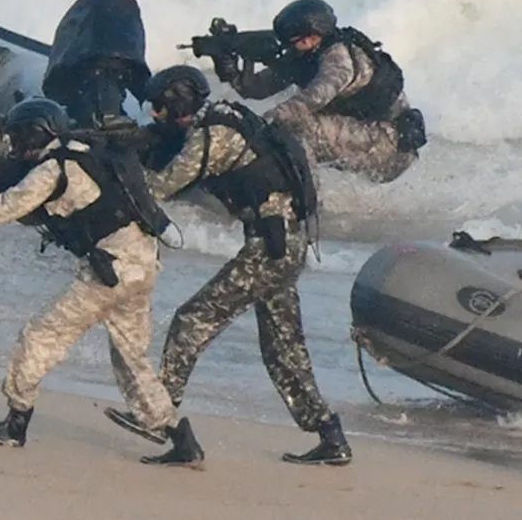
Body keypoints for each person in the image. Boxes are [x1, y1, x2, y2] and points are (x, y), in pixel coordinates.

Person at [105, 66, 352, 466]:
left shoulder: (212, 135)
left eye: (161, 107)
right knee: (283, 350)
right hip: (284, 242)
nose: (154, 115)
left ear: (179, 104)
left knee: (191, 322)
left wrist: (120, 163)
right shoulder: (228, 116)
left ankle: (156, 416)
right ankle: (330, 434)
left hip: (269, 245)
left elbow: (163, 187)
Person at [0, 97, 204, 467]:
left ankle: (15, 424)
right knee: (131, 359)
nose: (16, 146)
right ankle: (181, 439)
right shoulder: (90, 150)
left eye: (18, 138)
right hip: (144, 262)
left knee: (40, 336)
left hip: (109, 271)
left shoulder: (53, 169)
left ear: (34, 134)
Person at [213, 0, 425, 184]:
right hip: (367, 131)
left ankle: (305, 202)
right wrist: (231, 65)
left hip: (390, 147)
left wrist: (266, 120)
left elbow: (313, 99)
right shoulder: (306, 55)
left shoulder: (340, 58)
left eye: (294, 40)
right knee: (290, 122)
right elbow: (256, 88)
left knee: (300, 128)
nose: (289, 46)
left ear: (311, 37)